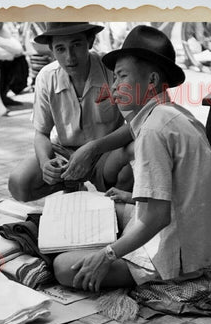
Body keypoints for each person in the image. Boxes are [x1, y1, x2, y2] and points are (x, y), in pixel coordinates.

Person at [53, 25, 211, 291]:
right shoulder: (173, 114)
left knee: (64, 267)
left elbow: (157, 218)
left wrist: (106, 255)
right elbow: (184, 192)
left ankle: (126, 259)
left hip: (174, 257)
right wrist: (132, 198)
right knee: (107, 209)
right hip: (195, 243)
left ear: (152, 80)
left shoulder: (154, 129)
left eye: (121, 77)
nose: (115, 86)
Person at [8, 22, 134, 202]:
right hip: (64, 154)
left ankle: (113, 207)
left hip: (105, 152)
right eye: (60, 49)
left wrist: (93, 148)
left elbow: (134, 124)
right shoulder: (46, 77)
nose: (70, 57)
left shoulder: (112, 71)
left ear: (90, 41)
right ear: (51, 49)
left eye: (76, 45)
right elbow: (41, 134)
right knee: (19, 183)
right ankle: (72, 184)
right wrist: (46, 164)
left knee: (131, 160)